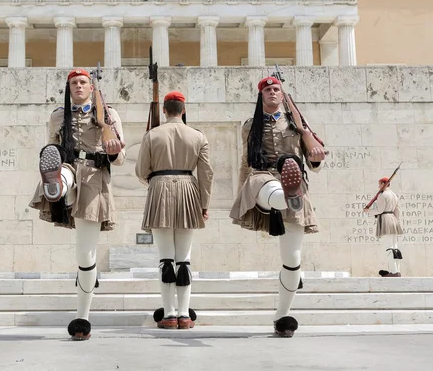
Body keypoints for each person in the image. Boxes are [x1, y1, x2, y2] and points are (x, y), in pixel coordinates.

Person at [29, 68, 126, 341]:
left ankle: (82, 315)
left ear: (91, 87)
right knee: (62, 170)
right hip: (69, 166)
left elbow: (120, 159)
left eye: (83, 82)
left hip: (95, 178)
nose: (78, 86)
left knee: (85, 257)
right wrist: (54, 160)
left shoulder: (108, 115)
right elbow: (51, 147)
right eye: (74, 83)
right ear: (68, 87)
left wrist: (114, 149)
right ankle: (56, 184)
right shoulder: (59, 115)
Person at [229, 76, 326, 338]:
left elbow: (314, 159)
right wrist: (241, 194)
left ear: (283, 96)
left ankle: (282, 318)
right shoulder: (250, 126)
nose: (272, 92)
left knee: (292, 261)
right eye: (267, 90)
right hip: (262, 178)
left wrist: (316, 157)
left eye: (276, 89)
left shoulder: (297, 125)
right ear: (261, 96)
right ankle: (287, 195)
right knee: (272, 188)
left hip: (292, 179)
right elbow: (244, 162)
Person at [135, 91, 214, 330]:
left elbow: (140, 171)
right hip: (189, 190)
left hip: (159, 189)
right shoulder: (198, 136)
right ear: (183, 109)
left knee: (165, 259)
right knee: (184, 260)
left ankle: (169, 314)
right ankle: (184, 314)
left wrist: (156, 179)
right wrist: (204, 204)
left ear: (164, 111)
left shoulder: (152, 134)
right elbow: (207, 174)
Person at [364, 177, 404, 277]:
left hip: (386, 218)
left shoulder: (382, 195)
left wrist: (368, 211)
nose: (378, 186)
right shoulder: (394, 195)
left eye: (379, 184)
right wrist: (395, 220)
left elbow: (380, 210)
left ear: (383, 184)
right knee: (395, 247)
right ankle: (396, 270)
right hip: (393, 219)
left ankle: (394, 272)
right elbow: (397, 210)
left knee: (389, 248)